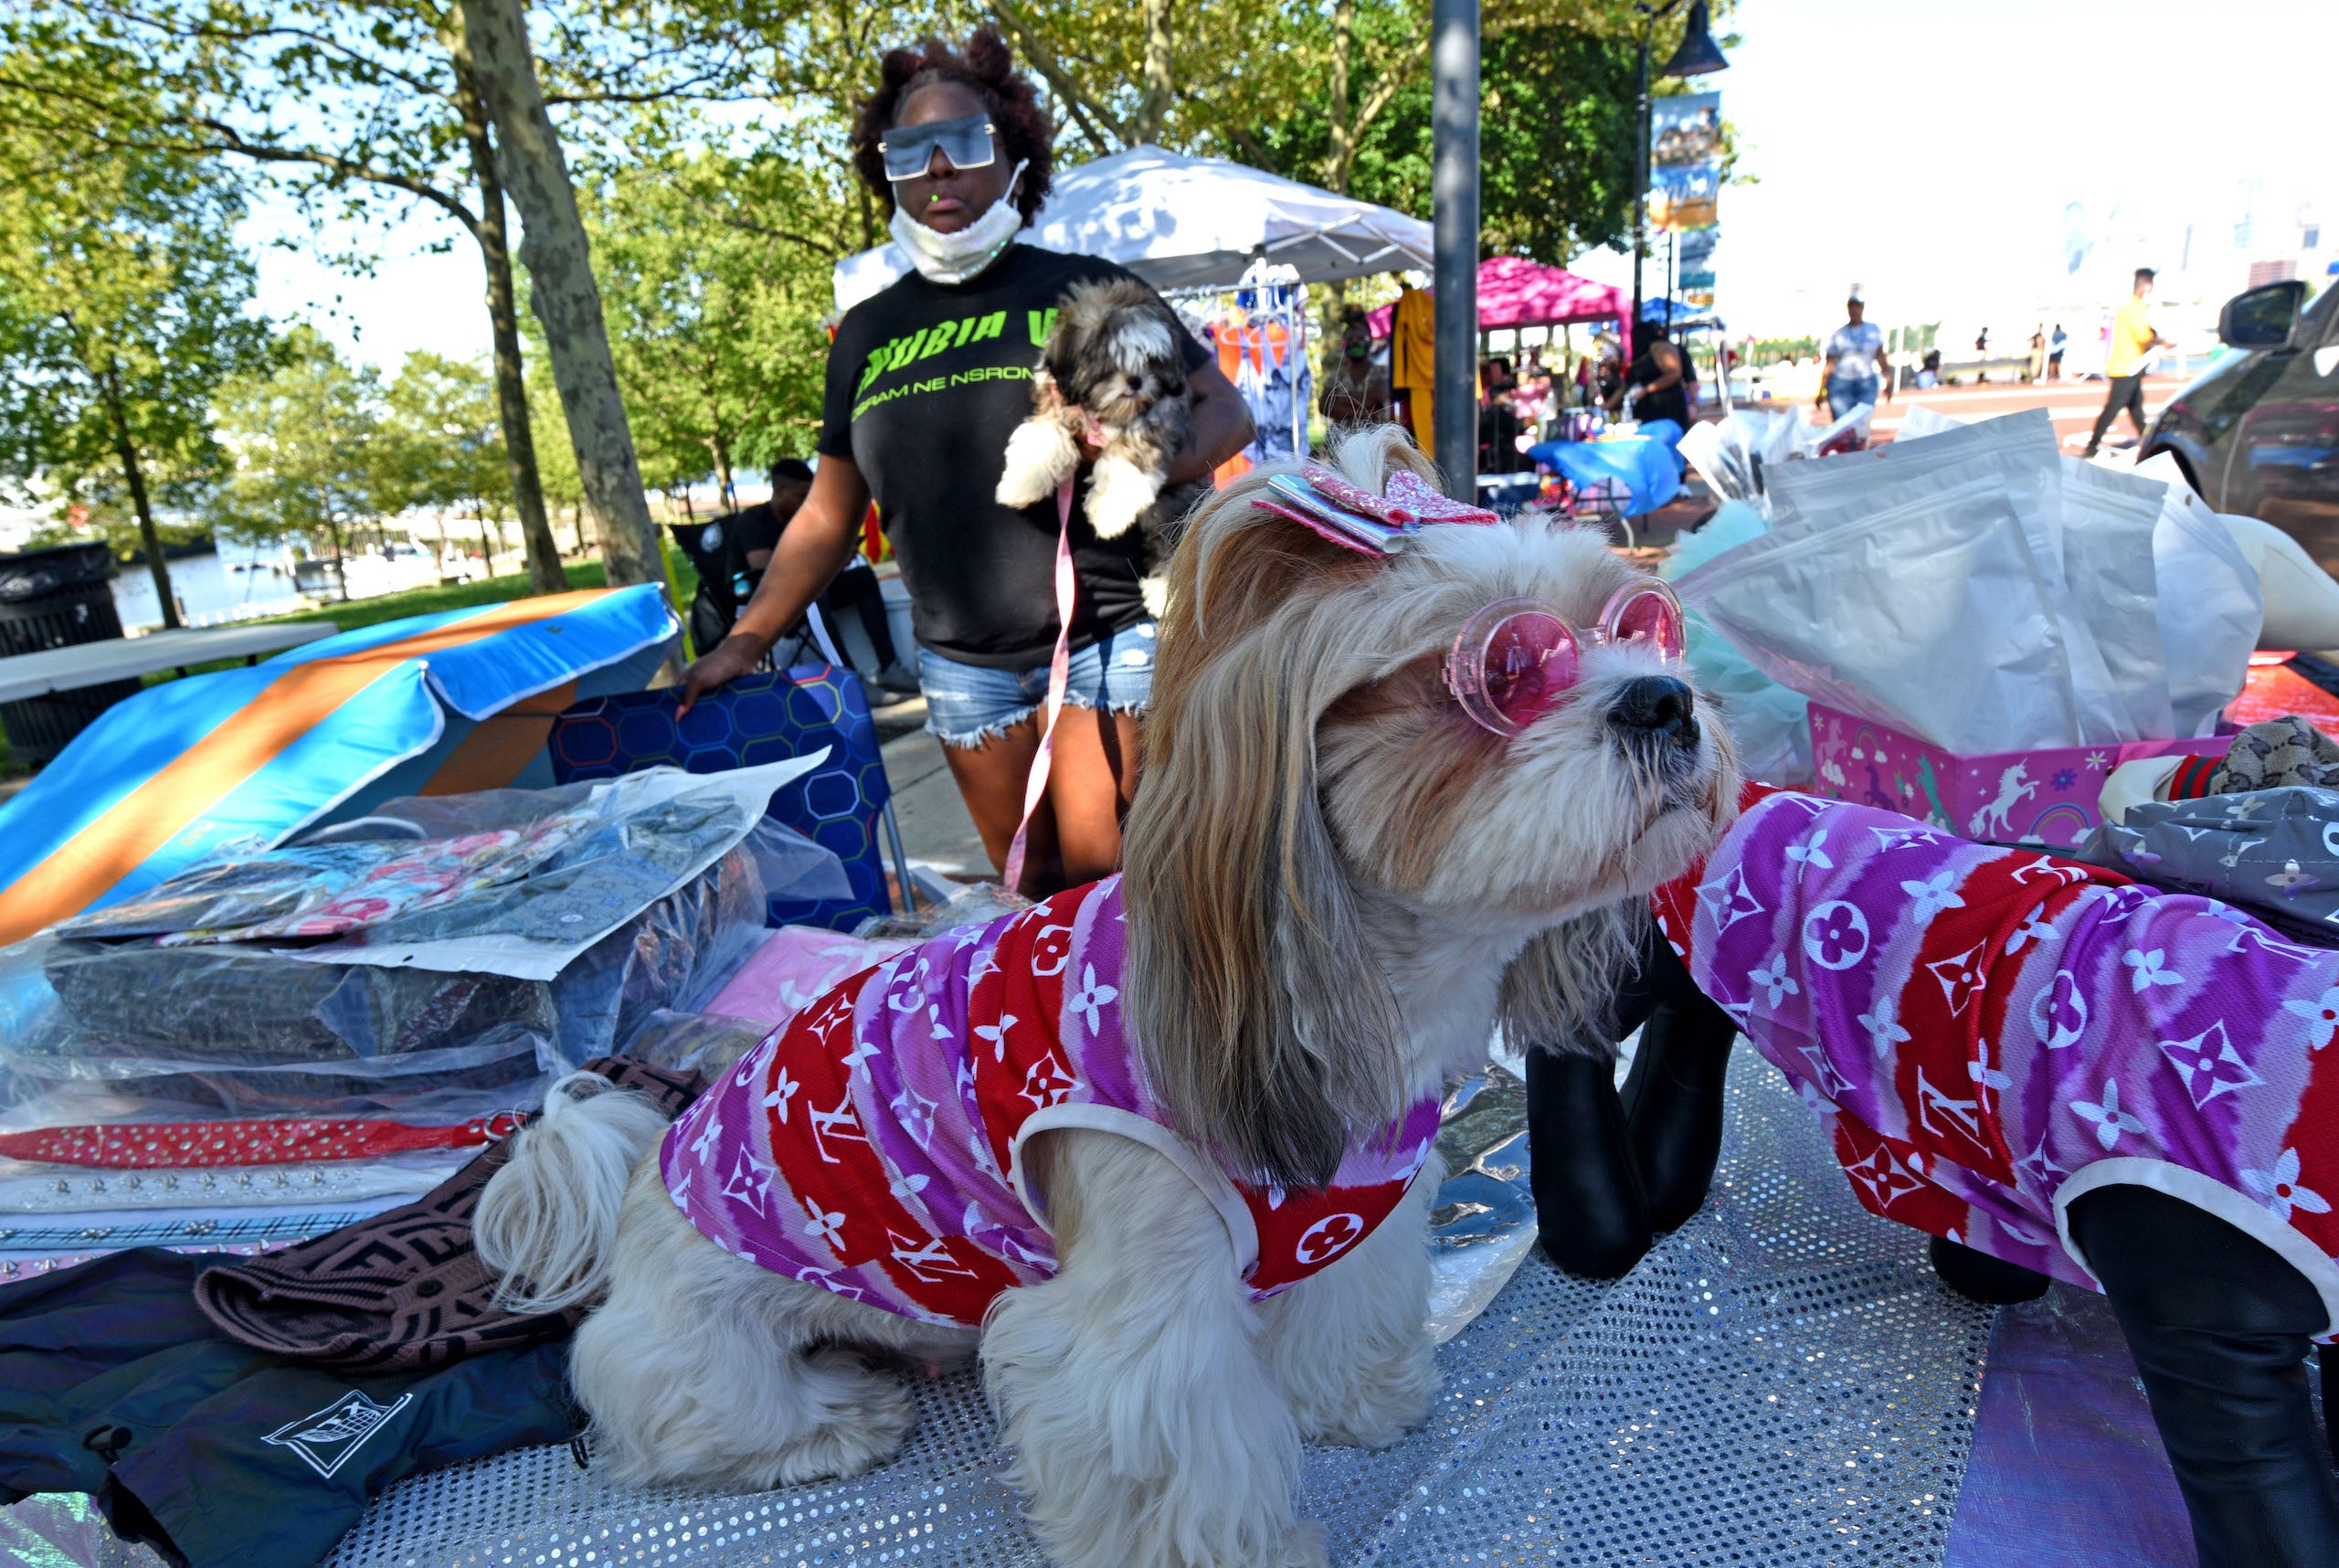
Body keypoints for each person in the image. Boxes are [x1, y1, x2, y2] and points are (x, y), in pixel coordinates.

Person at [675, 28, 1254, 896]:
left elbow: (1228, 412)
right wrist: (748, 637)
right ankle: (1053, 1033)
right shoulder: (866, 334)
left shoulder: (1086, 288)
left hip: (1102, 636)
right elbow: (831, 515)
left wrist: (1131, 452)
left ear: (1014, 156)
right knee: (1024, 886)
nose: (939, 166)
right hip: (959, 668)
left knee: (1108, 882)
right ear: (890, 174)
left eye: (966, 143)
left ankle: (1131, 1033)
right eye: (910, 150)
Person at [2085, 268, 2172, 458]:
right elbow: (2142, 336)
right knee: (2114, 407)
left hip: (2130, 366)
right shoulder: (2133, 308)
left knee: (2136, 407)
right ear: (2147, 285)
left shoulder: (2131, 308)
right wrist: (2162, 342)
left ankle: (2152, 443)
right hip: (2127, 367)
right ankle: (2092, 446)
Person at [1817, 295, 1890, 418]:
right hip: (1841, 383)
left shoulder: (1873, 330)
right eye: (1851, 307)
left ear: (1862, 308)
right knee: (1842, 425)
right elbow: (1829, 364)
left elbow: (1881, 356)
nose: (1854, 310)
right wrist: (1822, 390)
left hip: (1866, 381)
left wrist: (1889, 380)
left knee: (1861, 422)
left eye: (1857, 306)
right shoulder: (1839, 335)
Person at [1318, 305, 1392, 425]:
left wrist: (1342, 403)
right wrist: (1362, 411)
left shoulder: (1383, 372)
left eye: (1360, 338)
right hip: (1341, 440)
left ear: (1370, 342)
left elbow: (1381, 397)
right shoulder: (1337, 376)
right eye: (1351, 338)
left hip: (1374, 439)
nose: (1355, 342)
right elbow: (1324, 407)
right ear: (1345, 342)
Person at [1606, 326, 1689, 427]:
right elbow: (1624, 388)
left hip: (1666, 412)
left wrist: (1647, 389)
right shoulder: (1642, 354)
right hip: (1647, 415)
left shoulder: (1661, 347)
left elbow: (1674, 373)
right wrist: (1605, 408)